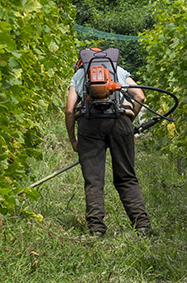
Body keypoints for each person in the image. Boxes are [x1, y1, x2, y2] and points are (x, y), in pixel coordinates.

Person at [64, 49, 154, 238]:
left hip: (89, 124)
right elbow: (140, 96)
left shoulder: (79, 74)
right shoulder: (118, 70)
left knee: (94, 180)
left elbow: (70, 109)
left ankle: (96, 229)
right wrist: (128, 122)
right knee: (126, 177)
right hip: (119, 121)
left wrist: (73, 139)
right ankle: (142, 226)